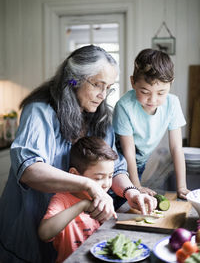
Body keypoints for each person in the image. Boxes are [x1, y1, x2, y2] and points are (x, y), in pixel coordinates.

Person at [0, 45, 156, 263]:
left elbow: (116, 167)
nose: (103, 95)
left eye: (109, 88)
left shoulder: (101, 118)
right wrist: (87, 185)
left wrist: (130, 191)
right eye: (97, 85)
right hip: (28, 226)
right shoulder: (40, 111)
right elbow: (29, 169)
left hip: (75, 236)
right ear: (73, 79)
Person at [113, 48, 190, 199]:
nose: (153, 100)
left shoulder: (172, 103)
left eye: (161, 93)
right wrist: (136, 186)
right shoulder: (124, 106)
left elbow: (176, 147)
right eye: (145, 92)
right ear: (133, 82)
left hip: (139, 163)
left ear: (170, 83)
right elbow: (128, 151)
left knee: (134, 202)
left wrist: (182, 187)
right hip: (118, 165)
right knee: (119, 203)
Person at [38, 136, 117, 262]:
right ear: (75, 175)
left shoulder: (104, 199)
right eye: (98, 178)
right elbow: (44, 233)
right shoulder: (62, 200)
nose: (106, 184)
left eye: (110, 176)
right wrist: (83, 205)